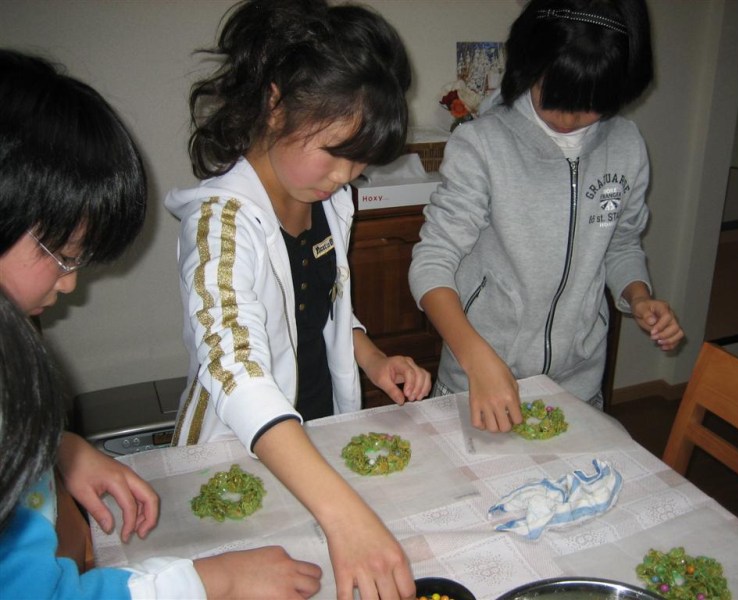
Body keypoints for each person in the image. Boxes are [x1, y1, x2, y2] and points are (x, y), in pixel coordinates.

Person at [0, 48, 322, 599]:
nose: (70, 283)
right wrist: (212, 581)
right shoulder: (221, 218)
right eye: (62, 253)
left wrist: (59, 448)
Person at [164, 1, 430, 598]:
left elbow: (325, 306)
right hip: (238, 449)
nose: (344, 175)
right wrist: (344, 512)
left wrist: (371, 358)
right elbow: (235, 368)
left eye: (359, 161)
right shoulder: (220, 225)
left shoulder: (329, 201)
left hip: (318, 432)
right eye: (336, 150)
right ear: (276, 102)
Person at [409, 0, 684, 433]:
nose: (570, 119)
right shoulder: (482, 144)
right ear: (529, 65)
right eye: (556, 98)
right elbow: (432, 262)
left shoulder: (627, 145)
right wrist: (475, 357)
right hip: (479, 379)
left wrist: (638, 295)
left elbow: (621, 243)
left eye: (591, 106)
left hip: (577, 381)